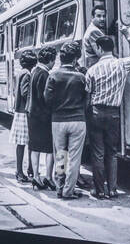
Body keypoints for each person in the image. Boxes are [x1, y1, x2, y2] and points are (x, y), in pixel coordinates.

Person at [85, 31, 130, 199]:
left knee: (97, 152)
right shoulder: (122, 64)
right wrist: (127, 34)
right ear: (112, 48)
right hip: (113, 114)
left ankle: (99, 190)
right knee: (112, 153)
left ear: (98, 48)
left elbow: (88, 96)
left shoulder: (91, 70)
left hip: (96, 112)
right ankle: (112, 189)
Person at [45, 40, 89, 200]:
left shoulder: (53, 76)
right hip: (78, 120)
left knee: (61, 155)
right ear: (75, 59)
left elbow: (47, 99)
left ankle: (59, 187)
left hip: (57, 121)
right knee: (74, 158)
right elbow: (87, 100)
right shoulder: (81, 77)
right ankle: (68, 191)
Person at [27, 46, 57, 190]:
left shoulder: (33, 72)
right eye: (54, 60)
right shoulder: (45, 74)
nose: (54, 63)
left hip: (32, 115)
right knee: (50, 148)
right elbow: (46, 97)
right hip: (44, 116)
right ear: (50, 60)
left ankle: (36, 177)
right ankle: (49, 177)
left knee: (35, 147)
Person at [10, 50, 36, 183]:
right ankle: (21, 172)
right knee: (26, 143)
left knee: (21, 144)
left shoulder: (20, 72)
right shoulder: (27, 74)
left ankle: (21, 171)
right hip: (24, 112)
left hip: (19, 111)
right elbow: (25, 92)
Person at [81, 4, 109, 69]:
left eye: (104, 16)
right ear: (92, 17)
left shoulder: (93, 28)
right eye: (99, 16)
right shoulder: (94, 31)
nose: (102, 19)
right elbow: (103, 54)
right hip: (97, 68)